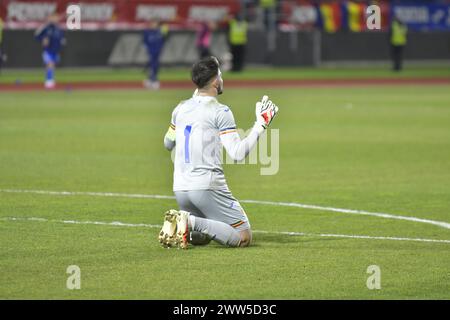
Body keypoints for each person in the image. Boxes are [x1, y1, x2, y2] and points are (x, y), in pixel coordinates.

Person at [159, 56, 279, 249]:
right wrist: (261, 124)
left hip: (180, 188)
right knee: (243, 236)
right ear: (215, 81)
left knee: (205, 236)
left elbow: (167, 143)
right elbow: (238, 153)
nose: (222, 79)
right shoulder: (220, 111)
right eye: (220, 75)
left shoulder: (180, 108)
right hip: (206, 187)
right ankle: (189, 221)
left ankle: (185, 228)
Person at [34, 14, 65, 89]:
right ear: (49, 18)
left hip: (55, 51)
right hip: (48, 50)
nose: (55, 19)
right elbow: (37, 35)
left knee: (52, 66)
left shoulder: (58, 29)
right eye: (53, 18)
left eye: (56, 18)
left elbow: (61, 39)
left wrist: (62, 42)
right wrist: (43, 39)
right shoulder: (46, 27)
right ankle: (49, 81)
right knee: (50, 65)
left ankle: (50, 80)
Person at [143, 21, 168, 90]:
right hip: (151, 51)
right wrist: (147, 48)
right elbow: (145, 41)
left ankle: (151, 79)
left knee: (156, 65)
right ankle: (152, 80)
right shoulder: (147, 32)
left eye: (155, 24)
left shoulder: (160, 31)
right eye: (153, 23)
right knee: (152, 65)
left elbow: (164, 38)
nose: (154, 25)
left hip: (158, 51)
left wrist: (165, 30)